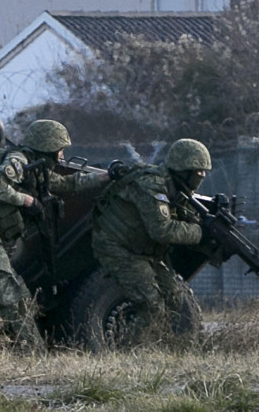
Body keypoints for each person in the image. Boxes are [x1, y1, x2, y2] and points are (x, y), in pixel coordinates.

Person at [0, 119, 112, 350]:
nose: (61, 155)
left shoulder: (36, 169)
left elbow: (68, 183)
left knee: (18, 299)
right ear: (47, 146)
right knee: (8, 296)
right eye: (60, 149)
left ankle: (29, 353)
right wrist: (27, 200)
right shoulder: (18, 161)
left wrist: (107, 176)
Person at [90, 138, 213, 343]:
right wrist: (200, 233)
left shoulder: (176, 188)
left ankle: (176, 351)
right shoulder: (152, 185)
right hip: (119, 248)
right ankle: (129, 353)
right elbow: (162, 231)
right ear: (184, 170)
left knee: (175, 299)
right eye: (199, 172)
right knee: (151, 305)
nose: (202, 176)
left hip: (144, 250)